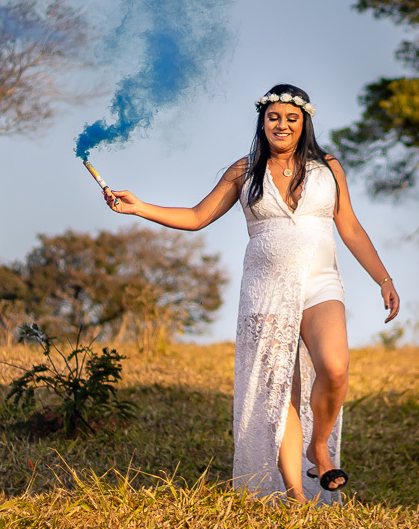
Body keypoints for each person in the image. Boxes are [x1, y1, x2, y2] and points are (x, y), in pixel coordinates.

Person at [103, 84, 400, 504]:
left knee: (335, 368)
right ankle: (297, 498)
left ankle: (318, 446)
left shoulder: (328, 167)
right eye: (274, 117)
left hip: (320, 284)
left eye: (291, 118)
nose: (282, 125)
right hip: (266, 291)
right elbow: (197, 216)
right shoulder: (243, 171)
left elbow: (348, 225)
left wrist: (383, 279)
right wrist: (139, 207)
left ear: (304, 123)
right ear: (262, 121)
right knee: (281, 392)